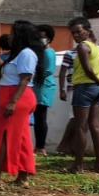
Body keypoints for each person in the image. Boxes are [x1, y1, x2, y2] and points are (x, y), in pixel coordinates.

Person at [0, 21, 41, 186]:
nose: (9, 36)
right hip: (10, 95)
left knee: (4, 135)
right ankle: (22, 175)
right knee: (21, 137)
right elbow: (4, 72)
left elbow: (25, 78)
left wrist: (13, 102)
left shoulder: (26, 54)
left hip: (17, 97)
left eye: (12, 33)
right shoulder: (15, 54)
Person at [62, 17, 99, 174]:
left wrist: (98, 82)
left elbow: (88, 70)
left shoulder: (82, 47)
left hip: (84, 87)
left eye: (78, 32)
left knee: (81, 127)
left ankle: (78, 165)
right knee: (95, 126)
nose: (76, 35)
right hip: (96, 88)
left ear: (87, 30)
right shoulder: (96, 48)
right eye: (73, 33)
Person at [34, 26, 58, 155]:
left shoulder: (49, 52)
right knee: (37, 117)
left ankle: (40, 147)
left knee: (40, 117)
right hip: (37, 85)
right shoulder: (38, 52)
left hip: (43, 86)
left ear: (49, 39)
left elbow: (48, 70)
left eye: (43, 37)